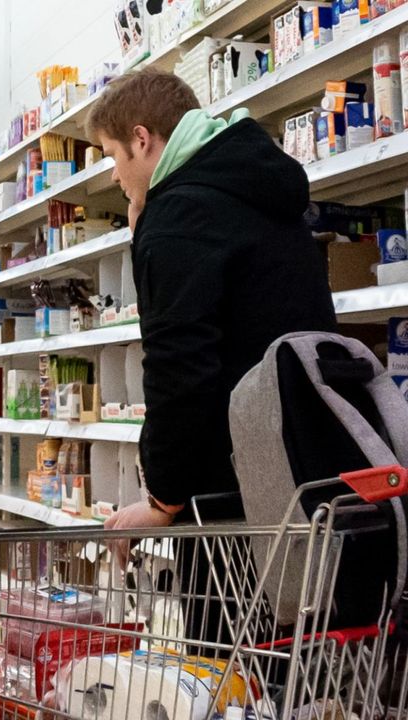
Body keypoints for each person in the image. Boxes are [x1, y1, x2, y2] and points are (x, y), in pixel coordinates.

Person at [89, 70, 338, 642]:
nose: (113, 174)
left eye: (112, 155)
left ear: (143, 139)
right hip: (308, 475)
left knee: (229, 674)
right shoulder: (260, 194)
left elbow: (179, 369)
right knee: (300, 668)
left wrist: (163, 498)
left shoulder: (179, 217)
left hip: (230, 500)